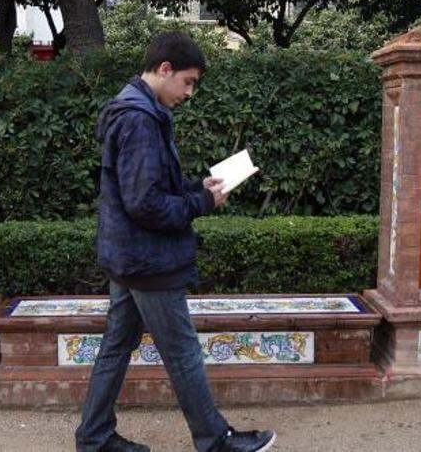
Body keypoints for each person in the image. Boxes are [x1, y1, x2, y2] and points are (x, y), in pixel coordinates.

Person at [74, 31, 276, 452]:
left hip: (128, 256)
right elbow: (145, 204)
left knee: (116, 346)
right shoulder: (139, 119)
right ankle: (216, 441)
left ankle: (93, 438)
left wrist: (193, 187)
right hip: (148, 261)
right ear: (165, 70)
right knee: (182, 352)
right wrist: (202, 202)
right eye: (188, 81)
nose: (189, 92)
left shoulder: (134, 108)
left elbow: (149, 187)